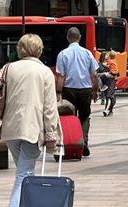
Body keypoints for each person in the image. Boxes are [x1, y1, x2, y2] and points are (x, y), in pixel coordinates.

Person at [0, 33, 62, 207]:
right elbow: (50, 108)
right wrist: (52, 135)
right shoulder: (44, 72)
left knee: (23, 170)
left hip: (10, 128)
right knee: (25, 172)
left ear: (19, 49)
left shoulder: (9, 68)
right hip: (32, 128)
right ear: (40, 50)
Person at [55, 27, 99, 157]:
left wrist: (58, 93)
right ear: (79, 37)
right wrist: (95, 90)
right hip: (85, 90)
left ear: (68, 38)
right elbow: (94, 75)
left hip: (69, 90)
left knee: (70, 116)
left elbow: (60, 77)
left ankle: (72, 140)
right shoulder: (87, 53)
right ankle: (84, 140)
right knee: (84, 117)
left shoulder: (63, 54)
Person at [98, 52, 117, 117]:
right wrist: (104, 74)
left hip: (111, 82)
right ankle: (109, 110)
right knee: (108, 97)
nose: (108, 56)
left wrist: (112, 75)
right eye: (106, 55)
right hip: (104, 83)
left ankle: (107, 110)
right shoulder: (99, 65)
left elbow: (116, 72)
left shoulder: (111, 63)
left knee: (109, 96)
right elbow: (96, 74)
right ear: (103, 56)